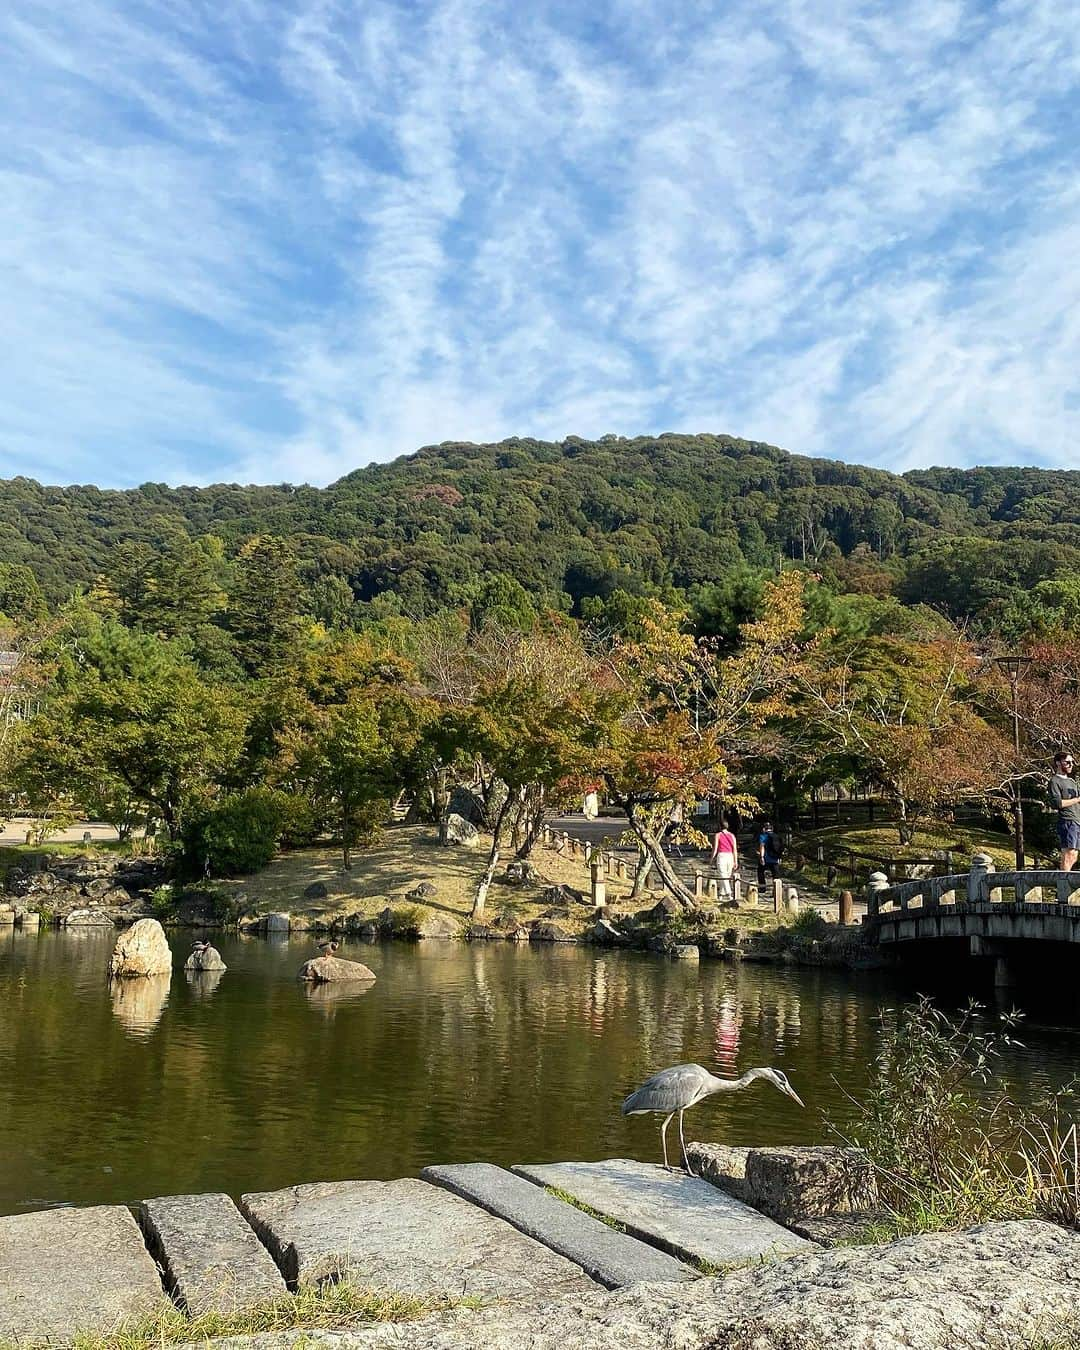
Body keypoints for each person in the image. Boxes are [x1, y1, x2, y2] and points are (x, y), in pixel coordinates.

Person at [1049, 750, 1080, 871]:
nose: (1071, 764)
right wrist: (1077, 799)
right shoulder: (1055, 781)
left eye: (1072, 762)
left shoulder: (1072, 782)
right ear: (1058, 763)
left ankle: (1065, 883)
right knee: (1068, 853)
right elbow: (1057, 803)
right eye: (1067, 762)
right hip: (1067, 821)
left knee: (1074, 856)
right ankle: (1063, 885)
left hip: (1077, 820)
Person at [710, 816, 739, 900]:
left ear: (720, 826)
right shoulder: (732, 835)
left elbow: (715, 849)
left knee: (723, 875)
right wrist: (735, 861)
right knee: (726, 875)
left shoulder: (718, 835)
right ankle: (721, 895)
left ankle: (729, 894)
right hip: (730, 856)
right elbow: (735, 849)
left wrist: (711, 859)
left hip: (722, 856)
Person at [757, 819, 783, 888]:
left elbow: (762, 847)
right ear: (772, 828)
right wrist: (780, 857)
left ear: (763, 829)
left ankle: (762, 888)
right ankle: (776, 891)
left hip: (766, 858)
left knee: (760, 871)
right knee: (776, 875)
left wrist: (761, 857)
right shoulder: (777, 836)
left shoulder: (763, 836)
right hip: (775, 859)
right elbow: (780, 848)